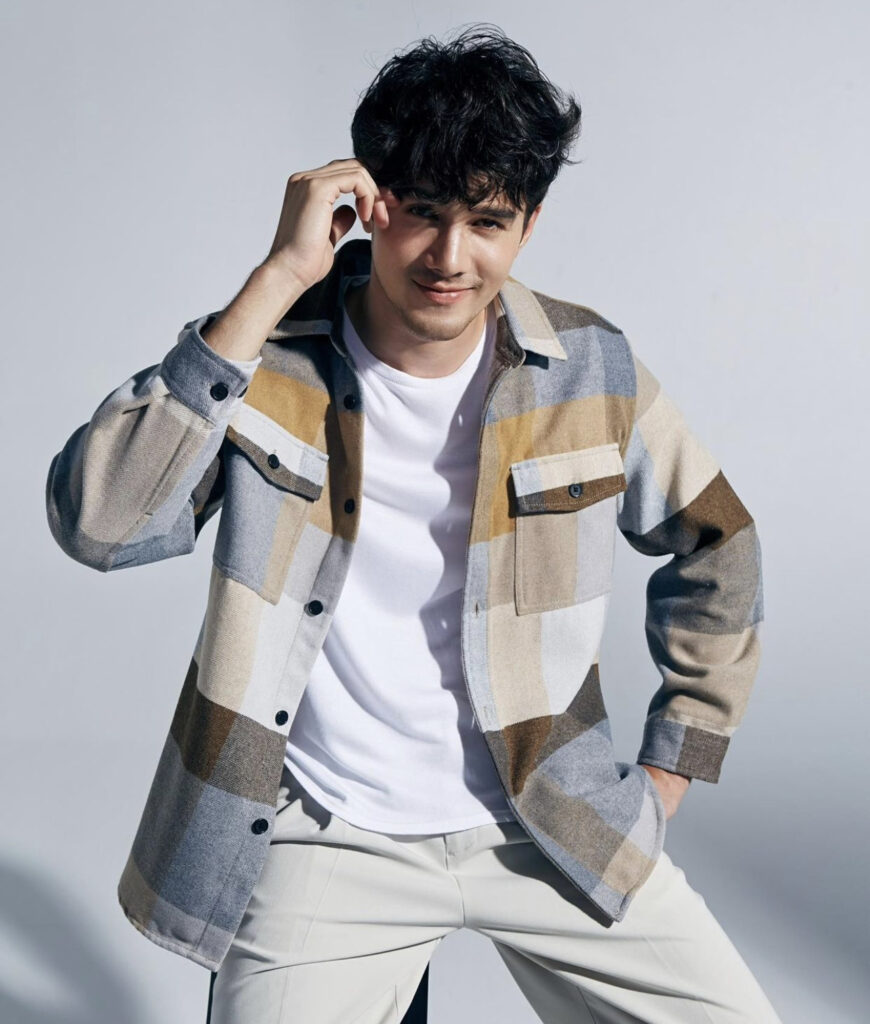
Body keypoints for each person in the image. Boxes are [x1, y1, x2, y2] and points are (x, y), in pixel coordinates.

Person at [46, 24, 783, 1024]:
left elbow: (721, 544)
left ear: (527, 224)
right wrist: (276, 277)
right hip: (326, 830)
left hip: (549, 812)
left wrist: (670, 767)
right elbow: (97, 523)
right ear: (365, 203)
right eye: (422, 213)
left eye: (488, 220)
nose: (449, 256)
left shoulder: (590, 368)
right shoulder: (265, 357)